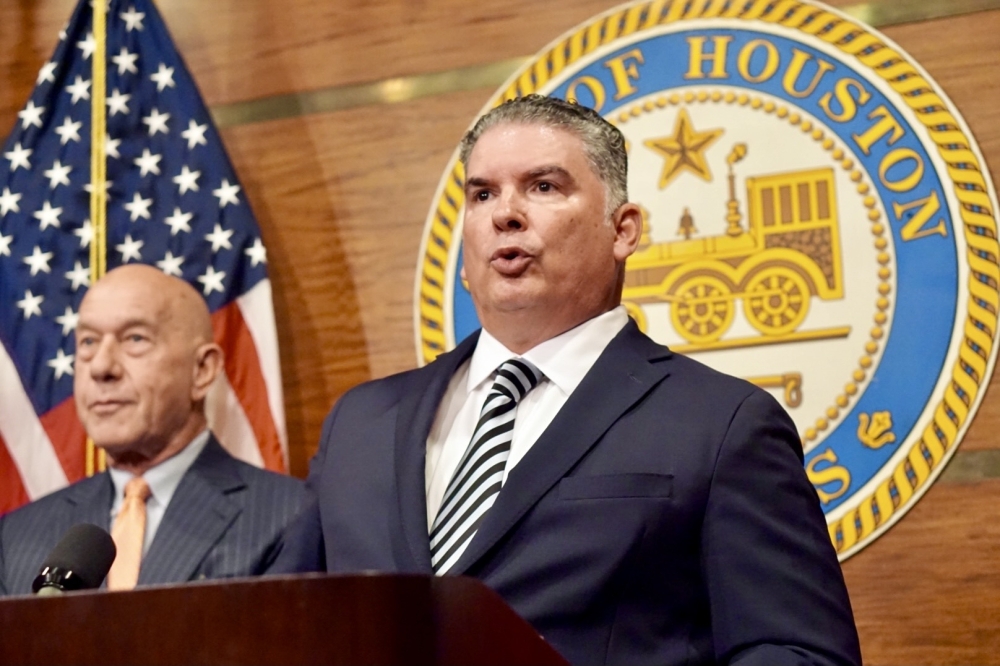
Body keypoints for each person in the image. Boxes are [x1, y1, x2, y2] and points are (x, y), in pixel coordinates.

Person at [275, 95, 862, 665]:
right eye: (483, 194)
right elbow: (277, 629)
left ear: (623, 230)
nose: (505, 212)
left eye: (543, 186)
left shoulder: (722, 425)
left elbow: (800, 652)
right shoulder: (361, 423)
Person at [0, 264, 304, 595]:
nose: (101, 367)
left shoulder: (290, 518)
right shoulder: (16, 538)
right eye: (88, 341)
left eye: (135, 339)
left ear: (202, 370)